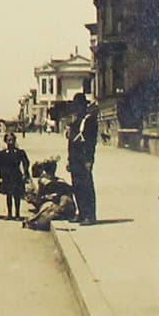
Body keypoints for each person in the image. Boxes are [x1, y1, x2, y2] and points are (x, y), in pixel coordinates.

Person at [67, 93, 98, 225]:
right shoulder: (75, 121)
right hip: (75, 158)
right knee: (77, 186)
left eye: (78, 106)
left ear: (83, 106)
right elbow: (71, 142)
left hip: (84, 158)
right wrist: (69, 160)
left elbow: (90, 142)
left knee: (86, 187)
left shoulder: (89, 120)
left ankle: (89, 215)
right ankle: (81, 213)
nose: (76, 109)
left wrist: (89, 160)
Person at [23, 158, 77, 231]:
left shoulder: (44, 181)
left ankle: (32, 220)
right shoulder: (61, 181)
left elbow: (39, 200)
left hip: (54, 207)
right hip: (67, 210)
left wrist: (33, 199)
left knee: (47, 207)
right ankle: (34, 220)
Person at [0, 132, 30, 220]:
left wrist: (25, 173)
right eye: (8, 140)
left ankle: (17, 214)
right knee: (8, 195)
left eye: (12, 140)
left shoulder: (19, 152)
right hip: (7, 176)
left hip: (16, 175)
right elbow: (0, 165)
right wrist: (0, 177)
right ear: (5, 141)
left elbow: (26, 162)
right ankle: (9, 213)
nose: (10, 142)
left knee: (17, 195)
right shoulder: (2, 153)